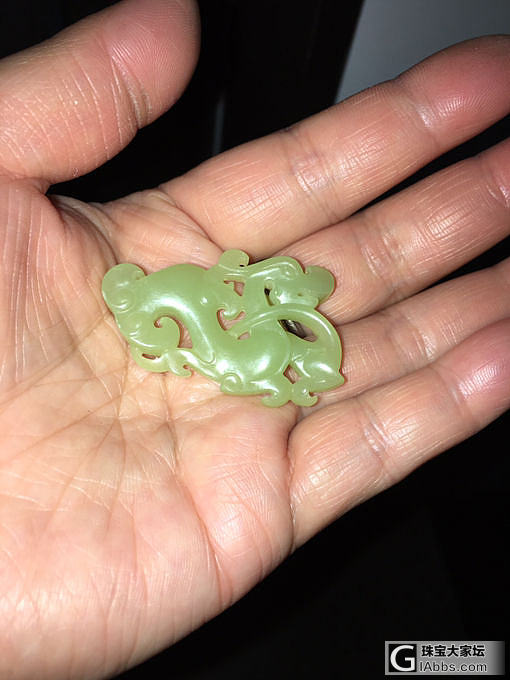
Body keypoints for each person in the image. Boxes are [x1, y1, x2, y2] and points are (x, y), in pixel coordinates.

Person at [0, 1, 508, 678]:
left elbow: (198, 314)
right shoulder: (157, 307)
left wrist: (229, 313)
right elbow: (177, 333)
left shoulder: (162, 298)